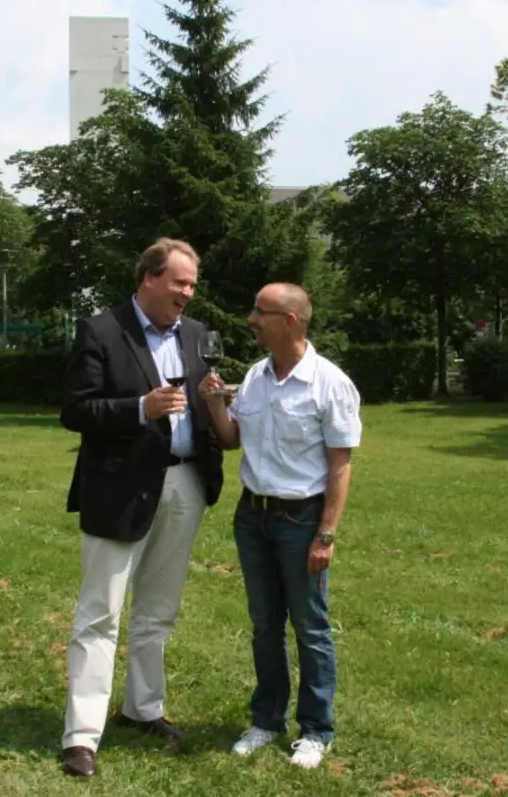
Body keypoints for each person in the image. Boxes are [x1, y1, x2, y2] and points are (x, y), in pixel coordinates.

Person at [56, 238, 226, 778]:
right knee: (100, 614)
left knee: (158, 610)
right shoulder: (102, 330)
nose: (187, 293)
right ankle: (82, 736)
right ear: (149, 278)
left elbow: (204, 405)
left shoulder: (198, 337)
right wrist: (139, 408)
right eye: (179, 282)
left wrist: (217, 402)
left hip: (184, 486)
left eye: (193, 284)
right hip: (118, 489)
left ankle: (142, 708)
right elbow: (75, 410)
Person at [199, 282, 361, 770]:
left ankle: (316, 730)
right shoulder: (254, 377)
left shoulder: (329, 383)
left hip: (301, 518)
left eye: (260, 312)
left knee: (310, 626)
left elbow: (340, 464)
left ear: (289, 321)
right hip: (253, 516)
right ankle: (267, 721)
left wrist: (326, 533)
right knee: (265, 626)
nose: (251, 319)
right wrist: (212, 404)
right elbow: (231, 440)